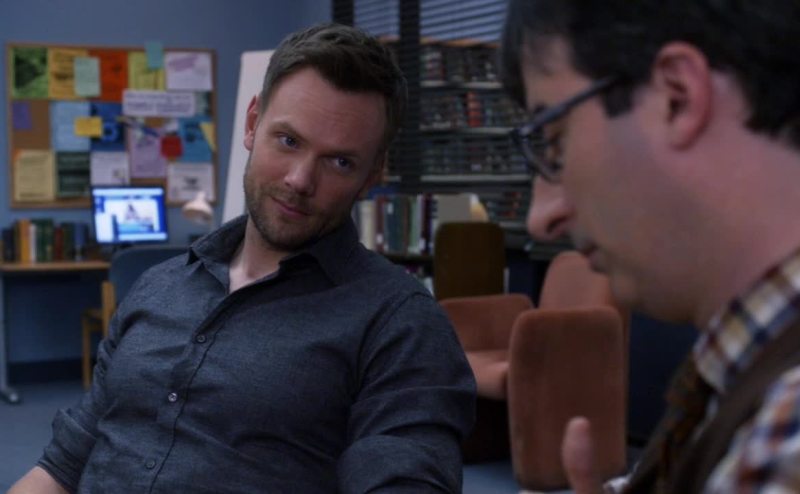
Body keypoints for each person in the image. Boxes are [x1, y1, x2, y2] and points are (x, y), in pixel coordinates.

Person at [10, 23, 475, 494]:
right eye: (288, 140)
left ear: (372, 174)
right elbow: (65, 463)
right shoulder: (158, 285)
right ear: (252, 123)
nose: (300, 180)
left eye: (339, 162)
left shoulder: (398, 323)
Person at [501, 1, 800, 493]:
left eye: (554, 140)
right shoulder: (736, 379)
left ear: (675, 96)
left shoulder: (783, 446)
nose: (542, 218)